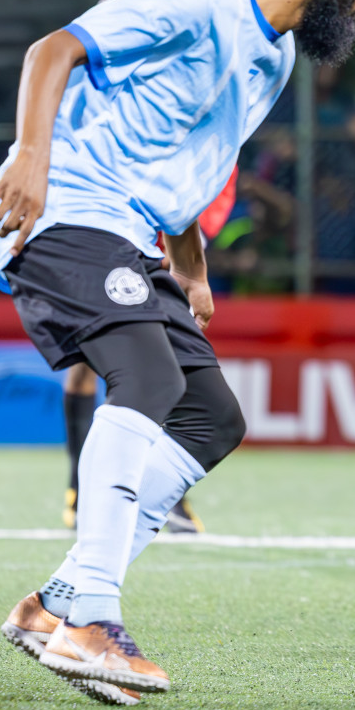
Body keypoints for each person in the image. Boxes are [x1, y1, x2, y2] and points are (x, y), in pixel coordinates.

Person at [0, 0, 355, 707]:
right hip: (65, 205)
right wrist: (31, 157)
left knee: (212, 416)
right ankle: (93, 618)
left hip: (133, 233)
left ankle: (57, 603)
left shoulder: (276, 53)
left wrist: (191, 268)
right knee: (146, 378)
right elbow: (53, 50)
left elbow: (191, 158)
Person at [60, 168, 241, 532]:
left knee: (156, 358)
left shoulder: (220, 139)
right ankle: (81, 488)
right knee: (92, 360)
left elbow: (208, 184)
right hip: (111, 219)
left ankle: (163, 490)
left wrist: (187, 252)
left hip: (169, 222)